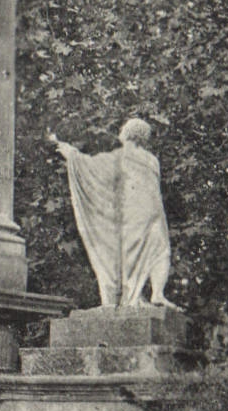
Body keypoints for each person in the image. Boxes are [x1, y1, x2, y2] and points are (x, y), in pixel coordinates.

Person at [50, 118, 173, 307]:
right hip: (156, 212)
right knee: (160, 251)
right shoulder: (152, 160)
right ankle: (157, 293)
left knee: (131, 254)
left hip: (135, 211)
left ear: (127, 133)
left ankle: (132, 298)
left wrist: (71, 153)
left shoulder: (122, 156)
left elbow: (91, 168)